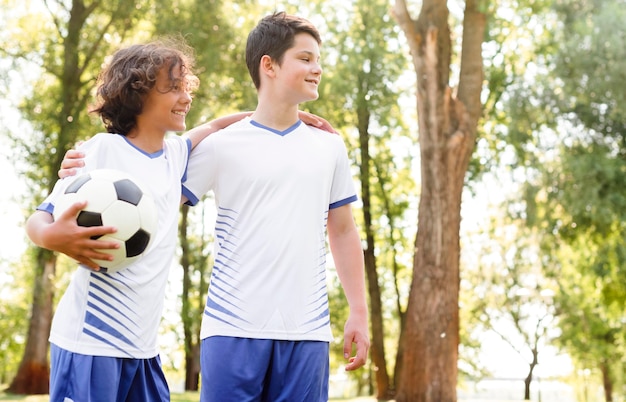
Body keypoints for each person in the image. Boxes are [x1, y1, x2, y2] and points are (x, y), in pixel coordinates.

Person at [27, 37, 259, 402]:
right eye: (174, 88)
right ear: (137, 94)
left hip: (143, 348)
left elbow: (214, 127)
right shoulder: (100, 150)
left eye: (187, 87)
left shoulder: (175, 154)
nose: (186, 97)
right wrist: (54, 237)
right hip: (90, 343)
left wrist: (284, 116)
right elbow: (38, 220)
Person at [181, 12, 370, 402]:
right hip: (230, 328)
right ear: (269, 64)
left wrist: (359, 311)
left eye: (318, 60)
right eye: (305, 58)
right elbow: (160, 197)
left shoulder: (329, 146)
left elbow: (344, 230)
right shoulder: (221, 145)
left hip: (307, 331)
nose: (317, 68)